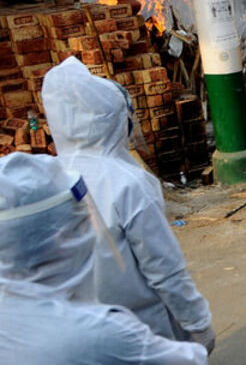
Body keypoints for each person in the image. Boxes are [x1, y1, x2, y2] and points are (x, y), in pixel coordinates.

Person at [42, 57, 215, 351]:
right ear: (113, 120)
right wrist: (197, 324)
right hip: (139, 330)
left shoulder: (45, 178)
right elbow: (163, 267)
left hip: (71, 334)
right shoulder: (127, 183)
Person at [0, 152, 207, 364]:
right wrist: (199, 325)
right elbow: (188, 360)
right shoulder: (100, 335)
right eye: (79, 223)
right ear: (62, 237)